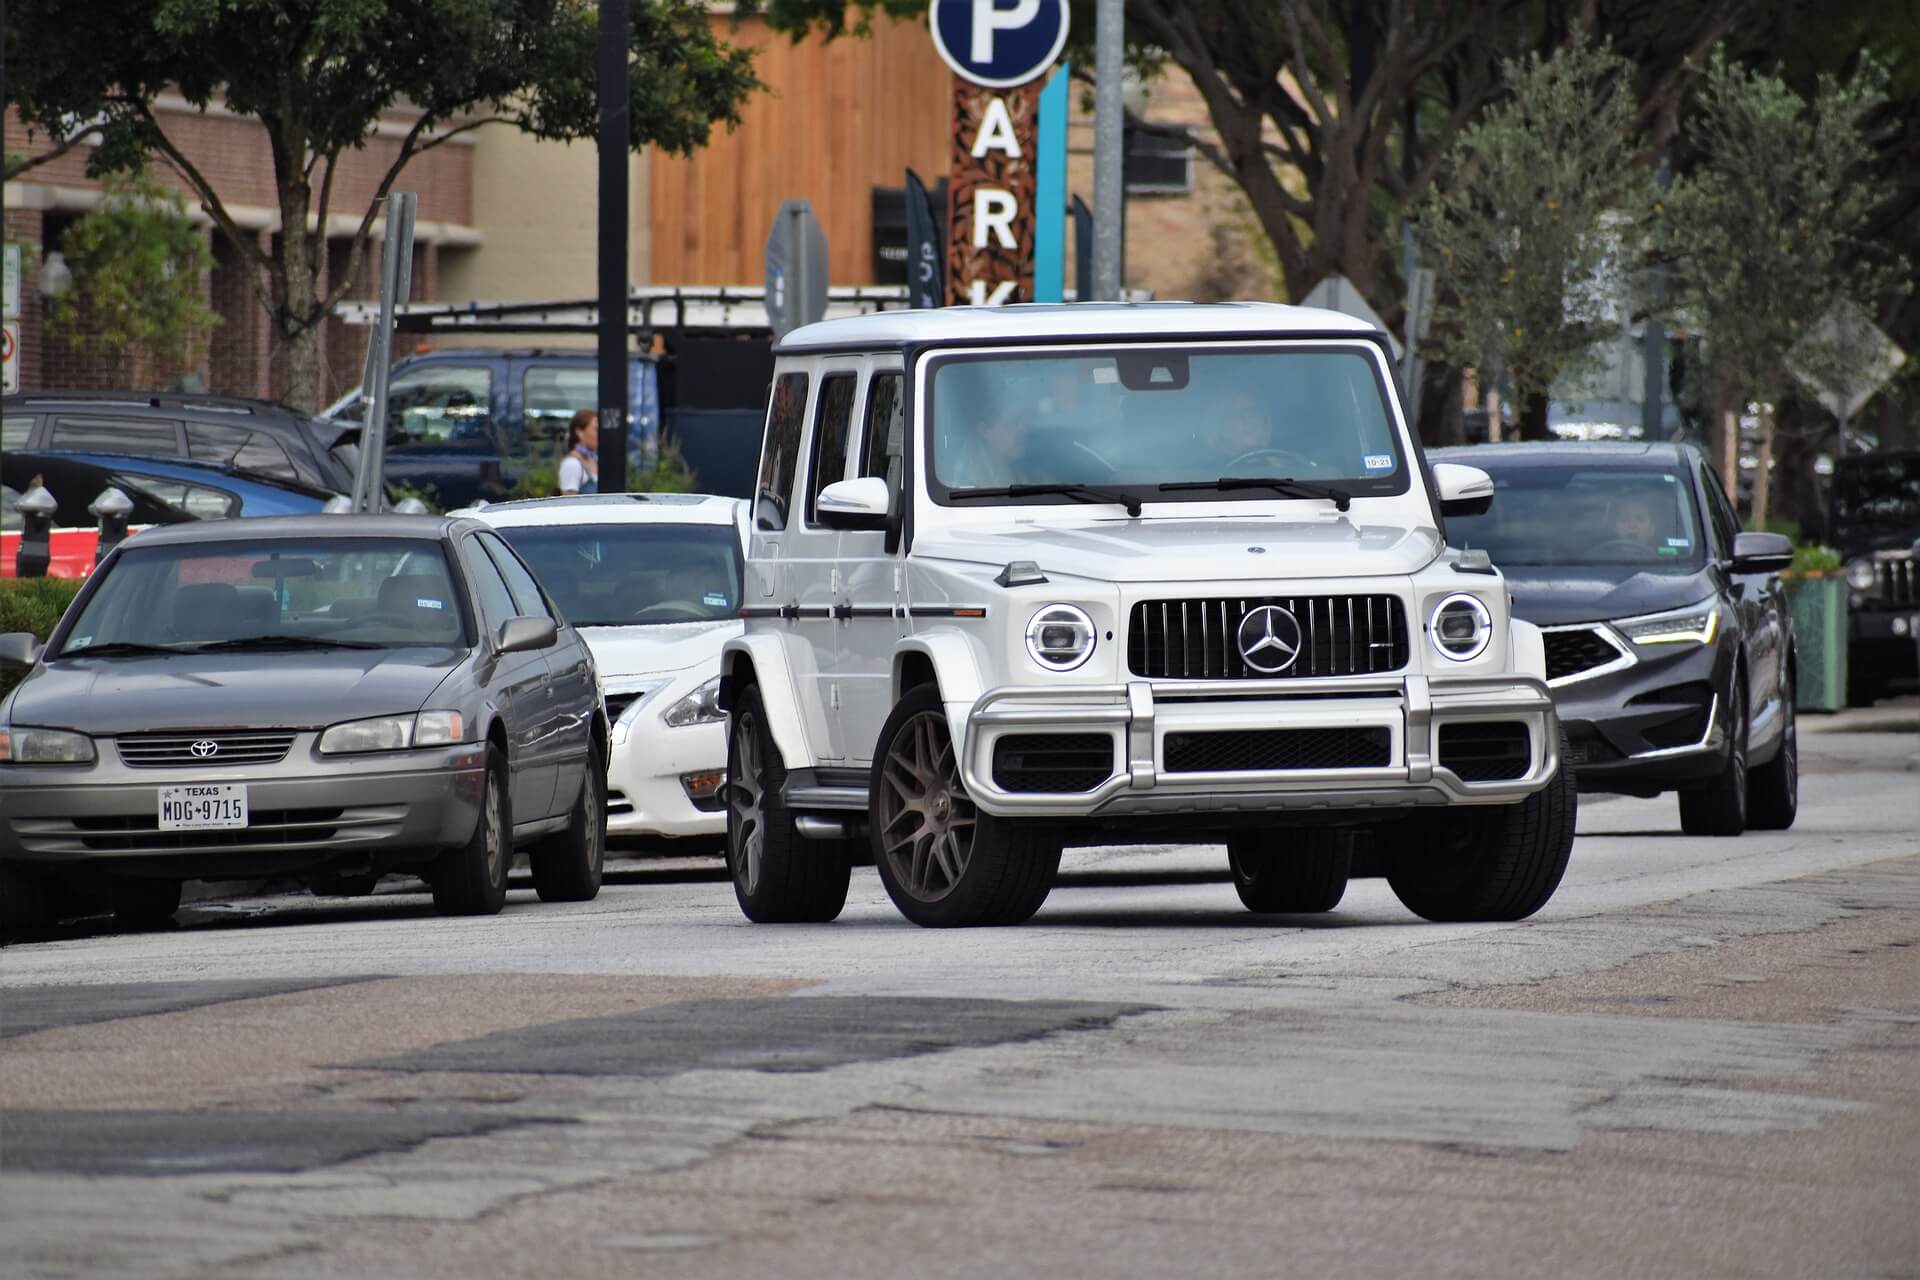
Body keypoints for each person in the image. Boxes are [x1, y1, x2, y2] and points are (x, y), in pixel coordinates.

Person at [557, 410, 599, 495]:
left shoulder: (595, 459)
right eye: (596, 430)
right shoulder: (572, 464)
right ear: (580, 432)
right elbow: (568, 503)